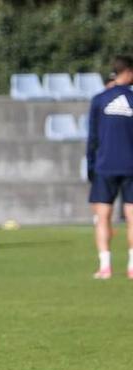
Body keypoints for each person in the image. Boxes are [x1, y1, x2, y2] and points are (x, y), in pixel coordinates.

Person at [86, 55, 133, 280]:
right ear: (129, 72)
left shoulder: (99, 100)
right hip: (131, 166)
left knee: (102, 216)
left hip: (104, 166)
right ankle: (132, 265)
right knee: (132, 217)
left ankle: (105, 266)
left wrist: (90, 167)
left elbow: (92, 138)